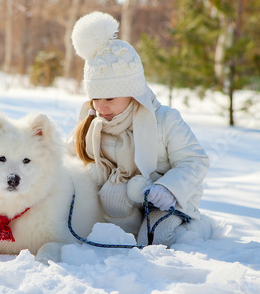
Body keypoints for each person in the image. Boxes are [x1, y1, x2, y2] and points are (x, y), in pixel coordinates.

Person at [69, 11, 210, 246]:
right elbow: (67, 157)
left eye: (110, 98)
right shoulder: (93, 123)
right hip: (122, 202)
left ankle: (194, 229)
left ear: (133, 92)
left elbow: (195, 161)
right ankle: (127, 238)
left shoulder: (165, 120)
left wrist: (168, 189)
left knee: (155, 242)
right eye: (95, 97)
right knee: (116, 211)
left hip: (167, 201)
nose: (101, 106)